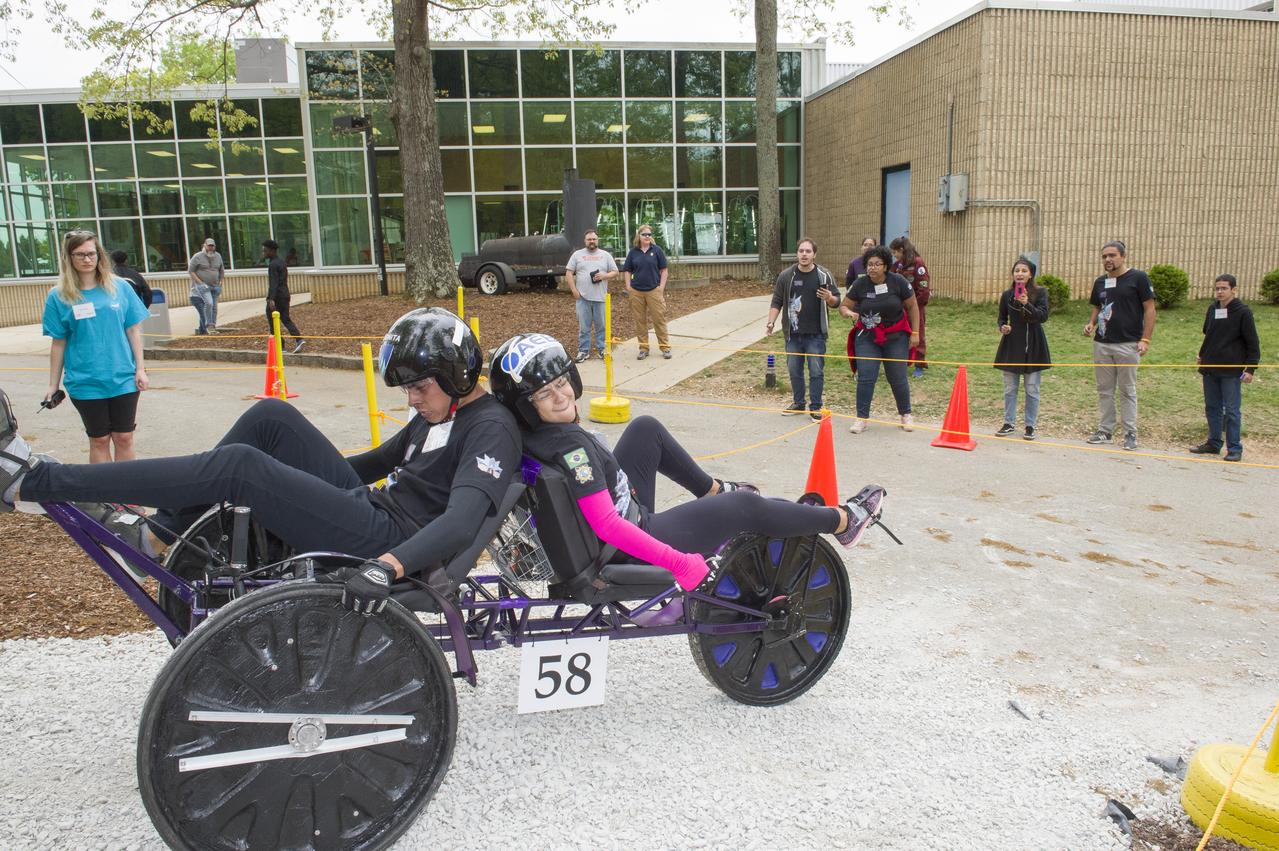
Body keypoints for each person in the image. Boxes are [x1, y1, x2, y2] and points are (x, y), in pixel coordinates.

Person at [1, 309, 523, 615]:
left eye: (418, 387)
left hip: (391, 541)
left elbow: (460, 522)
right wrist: (296, 481)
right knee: (271, 417)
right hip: (370, 508)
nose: (411, 399)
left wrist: (387, 569)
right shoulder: (440, 410)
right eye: (407, 388)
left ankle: (40, 481)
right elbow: (374, 462)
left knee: (241, 468)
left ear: (458, 375)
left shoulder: (489, 428)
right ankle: (159, 534)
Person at [487, 333, 886, 594]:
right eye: (544, 393)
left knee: (645, 429)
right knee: (745, 508)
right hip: (627, 544)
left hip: (616, 516)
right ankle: (844, 521)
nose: (560, 397)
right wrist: (678, 564)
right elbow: (607, 524)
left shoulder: (531, 436)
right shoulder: (573, 451)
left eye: (561, 383)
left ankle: (714, 491)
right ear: (527, 406)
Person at [41, 230, 150, 464]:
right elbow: (58, 343)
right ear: (68, 258)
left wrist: (140, 369)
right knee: (99, 440)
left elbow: (133, 330)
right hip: (85, 381)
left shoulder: (120, 287)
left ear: (99, 256)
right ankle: (105, 497)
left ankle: (128, 496)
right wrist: (53, 384)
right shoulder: (58, 296)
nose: (87, 259)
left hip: (122, 377)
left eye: (91, 254)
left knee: (124, 437)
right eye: (79, 254)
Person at [839, 244, 920, 434]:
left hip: (896, 336)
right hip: (868, 336)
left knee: (897, 377)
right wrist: (850, 313)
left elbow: (913, 307)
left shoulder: (898, 281)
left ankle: (905, 414)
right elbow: (843, 306)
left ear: (885, 266)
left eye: (877, 264)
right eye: (869, 264)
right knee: (866, 376)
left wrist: (915, 333)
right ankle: (861, 418)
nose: (872, 268)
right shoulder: (860, 284)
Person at [1083, 240, 1156, 451]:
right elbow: (1098, 306)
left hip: (1128, 344)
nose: (1108, 259)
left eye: (1112, 255)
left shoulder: (1138, 278)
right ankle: (1105, 430)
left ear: (1123, 257)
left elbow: (1150, 309)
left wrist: (1145, 339)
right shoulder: (1100, 282)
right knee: (1104, 390)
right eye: (1104, 256)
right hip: (1102, 344)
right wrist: (1091, 323)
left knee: (1127, 390)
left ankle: (1130, 433)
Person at [766, 237, 840, 421]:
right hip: (793, 334)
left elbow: (837, 302)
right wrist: (771, 322)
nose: (804, 254)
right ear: (797, 253)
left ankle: (815, 407)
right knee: (794, 370)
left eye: (808, 251)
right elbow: (776, 301)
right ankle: (798, 403)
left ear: (814, 254)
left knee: (816, 371)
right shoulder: (786, 276)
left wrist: (829, 298)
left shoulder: (824, 275)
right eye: (801, 251)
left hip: (816, 335)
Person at [1189, 274, 1260, 462]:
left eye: (1224, 288)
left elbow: (1253, 343)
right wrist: (1203, 354)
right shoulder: (1212, 308)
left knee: (1231, 410)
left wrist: (1250, 369)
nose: (1219, 292)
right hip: (1210, 367)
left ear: (1234, 290)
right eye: (1217, 288)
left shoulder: (1243, 312)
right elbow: (1209, 333)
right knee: (1212, 407)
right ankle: (1213, 443)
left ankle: (1235, 448)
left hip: (1231, 370)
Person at [994, 257, 1051, 440]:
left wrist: (1027, 303)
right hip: (1012, 345)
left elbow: (1042, 316)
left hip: (1034, 344)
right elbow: (1002, 318)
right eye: (1017, 270)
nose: (1020, 274)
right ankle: (1009, 422)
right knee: (1010, 388)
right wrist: (1003, 327)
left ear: (1031, 274)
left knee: (1032, 388)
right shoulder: (1007, 295)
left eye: (1024, 271)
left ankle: (1030, 425)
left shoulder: (1040, 293)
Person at [564, 228, 618, 363]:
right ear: (585, 241)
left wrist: (605, 275)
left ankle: (602, 350)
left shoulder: (605, 255)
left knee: (602, 327)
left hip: (600, 298)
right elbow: (569, 273)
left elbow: (615, 271)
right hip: (583, 298)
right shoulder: (577, 255)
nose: (592, 241)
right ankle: (583, 351)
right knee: (584, 327)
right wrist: (574, 291)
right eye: (589, 239)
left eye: (594, 239)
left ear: (597, 240)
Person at [622, 224, 671, 360]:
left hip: (654, 290)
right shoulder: (633, 252)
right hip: (636, 292)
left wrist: (661, 287)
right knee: (640, 321)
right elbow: (627, 270)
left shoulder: (657, 251)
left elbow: (664, 270)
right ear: (639, 236)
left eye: (649, 234)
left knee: (659, 319)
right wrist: (628, 287)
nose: (647, 236)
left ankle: (665, 347)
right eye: (644, 234)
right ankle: (643, 348)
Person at [889, 237, 930, 378]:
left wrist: (914, 306)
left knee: (918, 334)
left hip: (916, 307)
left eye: (895, 252)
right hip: (900, 309)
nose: (894, 255)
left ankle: (919, 364)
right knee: (901, 336)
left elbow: (923, 289)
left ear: (901, 250)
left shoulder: (918, 264)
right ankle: (903, 362)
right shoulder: (899, 265)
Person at [263, 239, 305, 353]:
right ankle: (299, 339)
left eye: (265, 251)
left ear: (272, 251)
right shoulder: (281, 262)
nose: (264, 253)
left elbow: (274, 283)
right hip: (285, 294)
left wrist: (271, 299)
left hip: (276, 297)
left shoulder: (273, 265)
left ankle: (281, 347)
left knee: (273, 322)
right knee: (286, 319)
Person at [188, 238, 225, 333]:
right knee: (209, 303)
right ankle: (208, 325)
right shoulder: (197, 256)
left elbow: (221, 269)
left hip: (215, 285)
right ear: (204, 245)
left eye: (212, 246)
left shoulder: (218, 256)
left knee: (214, 307)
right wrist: (200, 282)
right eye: (209, 245)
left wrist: (220, 281)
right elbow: (191, 271)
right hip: (203, 286)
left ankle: (212, 326)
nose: (210, 248)